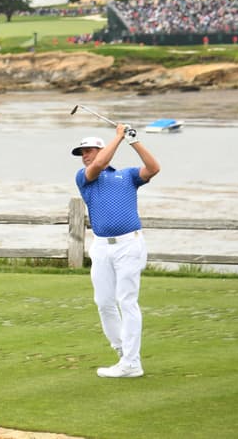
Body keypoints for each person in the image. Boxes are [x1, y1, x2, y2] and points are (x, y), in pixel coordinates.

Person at [73, 123, 161, 379]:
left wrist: (134, 141)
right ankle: (124, 354)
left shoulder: (128, 175)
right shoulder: (85, 177)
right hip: (101, 247)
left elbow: (154, 168)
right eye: (82, 152)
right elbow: (98, 165)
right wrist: (119, 137)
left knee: (127, 301)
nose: (85, 156)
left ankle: (132, 362)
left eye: (88, 150)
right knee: (104, 302)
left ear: (101, 150)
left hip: (129, 244)